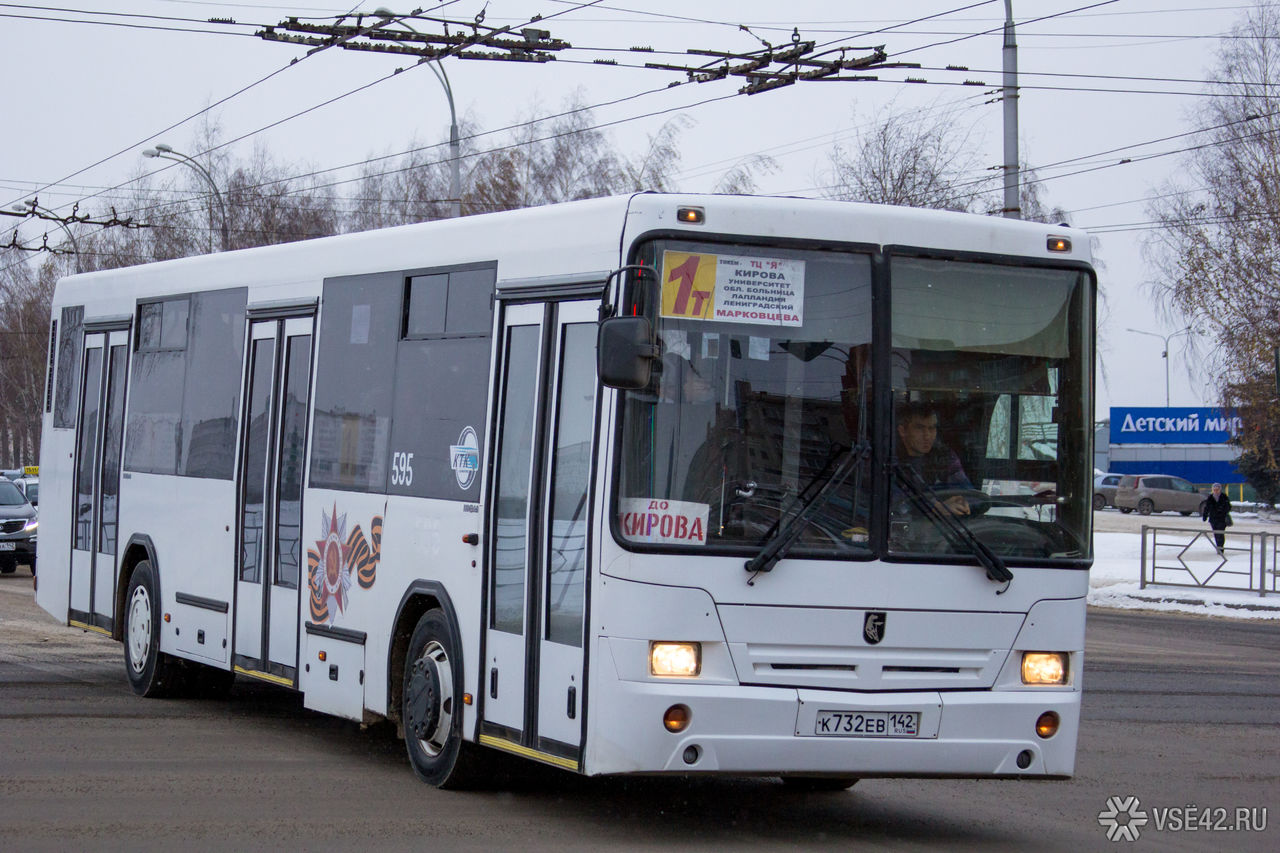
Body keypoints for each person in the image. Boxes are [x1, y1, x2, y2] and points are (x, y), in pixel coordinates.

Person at [894, 400, 974, 516]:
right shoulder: (890, 459)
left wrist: (964, 502)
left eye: (932, 428)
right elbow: (893, 501)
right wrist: (934, 507)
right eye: (920, 428)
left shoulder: (944, 457)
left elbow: (968, 491)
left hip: (948, 530)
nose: (927, 435)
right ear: (903, 431)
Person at [1200, 482, 1232, 555]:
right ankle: (1218, 547)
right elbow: (1207, 508)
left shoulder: (1224, 497)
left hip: (1222, 519)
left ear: (1220, 489)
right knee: (1216, 534)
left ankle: (1220, 547)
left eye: (1217, 489)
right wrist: (1205, 516)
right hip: (1213, 519)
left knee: (1220, 533)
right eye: (1214, 489)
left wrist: (1223, 510)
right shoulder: (1210, 498)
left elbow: (1229, 507)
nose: (1216, 491)